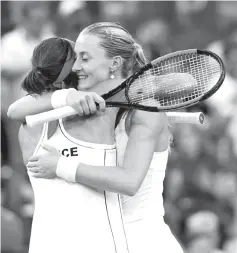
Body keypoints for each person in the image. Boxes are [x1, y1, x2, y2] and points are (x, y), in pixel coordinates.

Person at [8, 22, 184, 252]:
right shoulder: (86, 106)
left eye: (85, 58)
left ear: (115, 63)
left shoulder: (145, 109)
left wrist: (61, 165)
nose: (76, 66)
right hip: (106, 240)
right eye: (76, 59)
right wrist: (67, 96)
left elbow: (129, 182)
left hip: (145, 240)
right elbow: (14, 110)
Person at [8, 36, 129, 253]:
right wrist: (68, 96)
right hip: (97, 245)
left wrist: (66, 96)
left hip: (46, 245)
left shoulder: (26, 128)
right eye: (81, 59)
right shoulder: (99, 117)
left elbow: (16, 109)